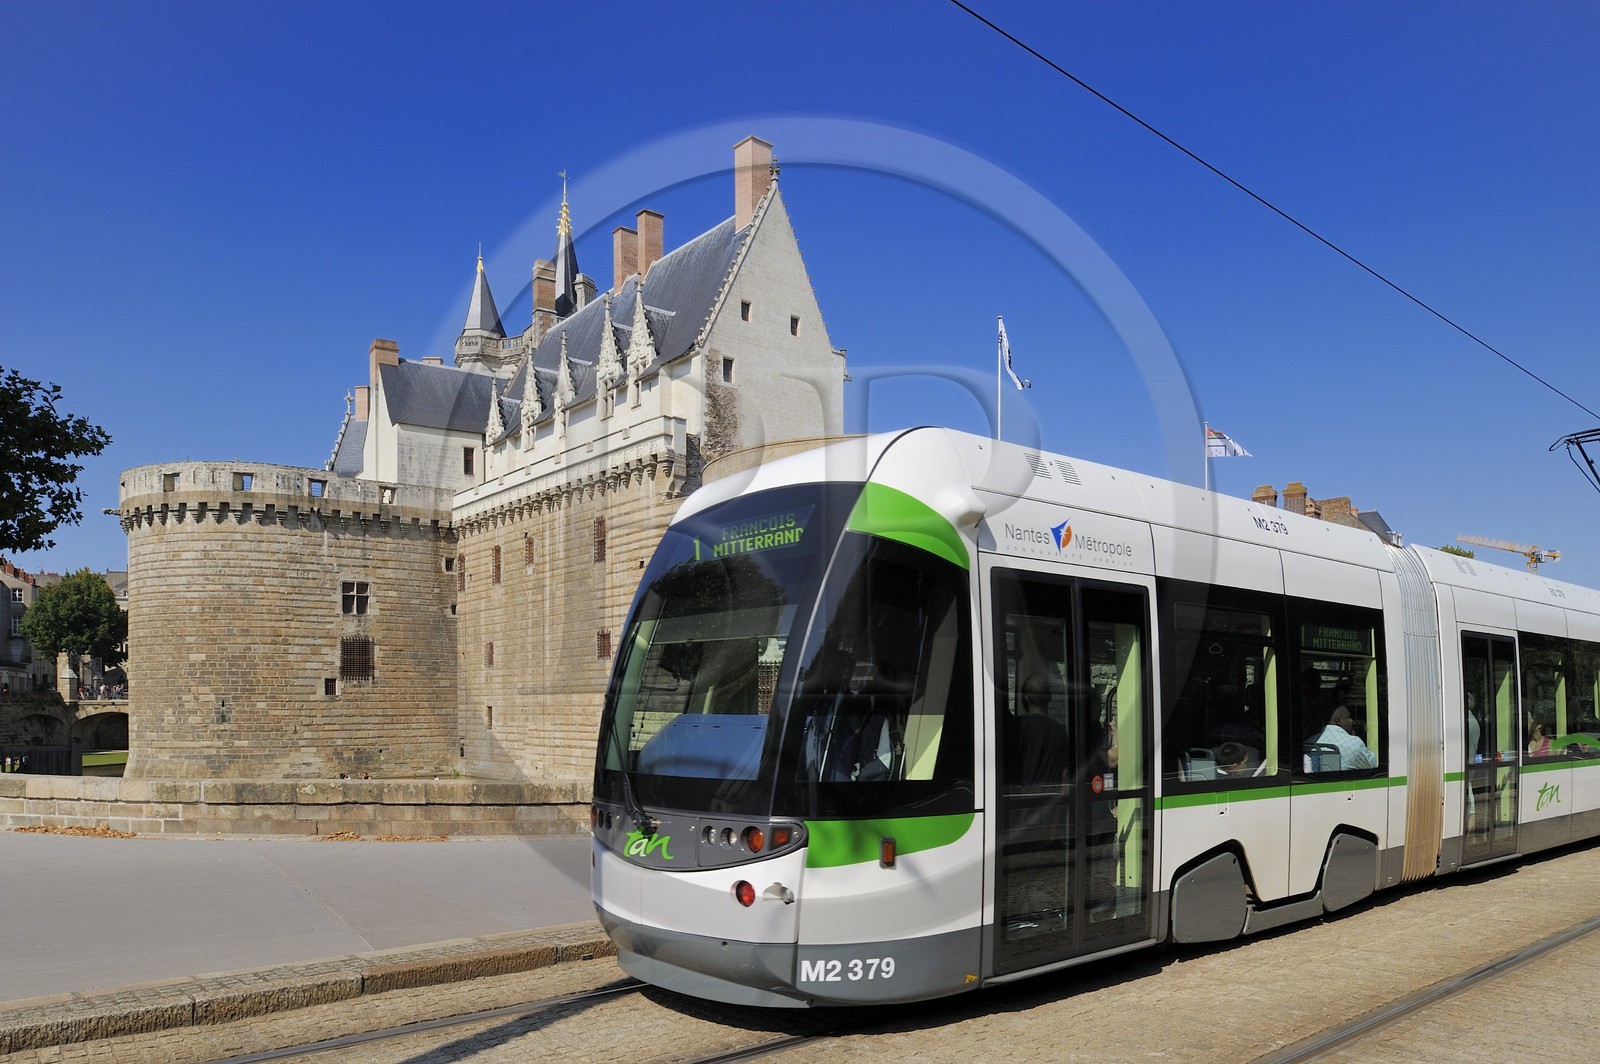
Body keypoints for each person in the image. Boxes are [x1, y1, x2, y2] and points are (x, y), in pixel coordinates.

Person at [1015, 674, 1068, 787]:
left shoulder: (1018, 726)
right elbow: (1064, 777)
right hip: (1050, 801)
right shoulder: (1061, 732)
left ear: (1026, 698)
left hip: (1020, 801)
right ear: (1049, 698)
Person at [1315, 703, 1377, 769]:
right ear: (1339, 721)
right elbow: (1372, 763)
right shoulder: (1355, 743)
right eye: (1349, 717)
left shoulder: (1310, 742)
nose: (1351, 721)